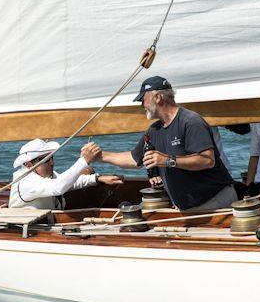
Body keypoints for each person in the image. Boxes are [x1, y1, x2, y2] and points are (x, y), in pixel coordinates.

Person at [96, 76, 236, 210]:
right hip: (189, 208)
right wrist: (99, 156)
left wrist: (167, 160)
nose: (142, 105)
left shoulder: (191, 122)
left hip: (214, 201)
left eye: (143, 100)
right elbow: (134, 159)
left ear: (157, 97)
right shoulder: (154, 130)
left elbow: (207, 160)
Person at [9, 138, 123, 209]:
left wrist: (97, 178)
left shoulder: (44, 176)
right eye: (46, 160)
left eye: (51, 157)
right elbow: (58, 187)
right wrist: (84, 161)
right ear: (29, 165)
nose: (52, 163)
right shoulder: (26, 181)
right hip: (29, 233)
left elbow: (67, 182)